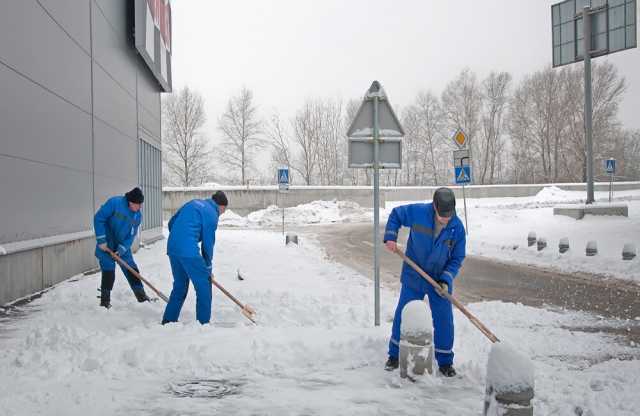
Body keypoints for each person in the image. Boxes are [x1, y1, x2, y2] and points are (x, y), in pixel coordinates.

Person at [383, 187, 466, 377]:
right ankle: (394, 355)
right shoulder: (419, 212)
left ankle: (445, 362)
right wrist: (390, 236)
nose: (445, 218)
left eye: (449, 214)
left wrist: (446, 279)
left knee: (444, 319)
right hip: (414, 273)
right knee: (403, 312)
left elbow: (457, 258)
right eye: (442, 214)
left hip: (439, 280)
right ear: (434, 206)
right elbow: (396, 215)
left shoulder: (457, 228)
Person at [162, 191, 228, 325]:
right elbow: (208, 244)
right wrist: (208, 268)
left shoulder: (193, 203)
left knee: (180, 285)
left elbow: (171, 223)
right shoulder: (212, 214)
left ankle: (168, 320)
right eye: (224, 210)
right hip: (189, 251)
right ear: (221, 206)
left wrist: (180, 236)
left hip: (173, 247)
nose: (222, 213)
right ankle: (203, 323)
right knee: (204, 285)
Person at [94, 187, 150, 308]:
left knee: (132, 270)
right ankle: (105, 301)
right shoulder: (114, 203)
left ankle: (141, 296)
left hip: (122, 245)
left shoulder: (137, 216)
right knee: (109, 270)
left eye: (141, 205)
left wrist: (122, 248)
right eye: (138, 204)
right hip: (106, 243)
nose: (140, 207)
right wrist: (101, 240)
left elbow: (131, 235)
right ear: (130, 202)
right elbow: (99, 218)